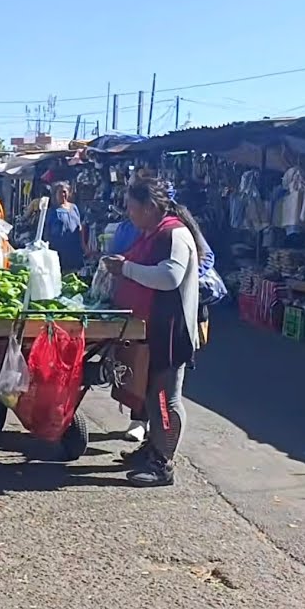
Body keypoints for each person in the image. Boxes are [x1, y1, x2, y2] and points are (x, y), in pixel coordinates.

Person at [102, 176, 202, 487]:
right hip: (153, 328)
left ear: (149, 207)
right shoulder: (154, 232)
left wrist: (125, 269)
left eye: (132, 207)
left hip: (171, 331)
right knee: (150, 393)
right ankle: (153, 449)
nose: (129, 213)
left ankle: (163, 465)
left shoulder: (173, 234)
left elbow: (170, 277)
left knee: (165, 398)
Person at [45, 181, 85, 274]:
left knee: (75, 273)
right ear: (55, 194)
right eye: (60, 192)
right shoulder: (52, 211)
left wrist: (84, 245)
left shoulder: (74, 207)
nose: (63, 194)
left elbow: (79, 227)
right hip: (59, 248)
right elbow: (47, 232)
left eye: (64, 191)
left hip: (74, 248)